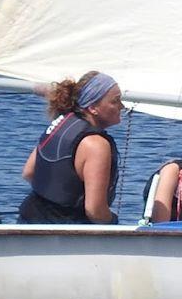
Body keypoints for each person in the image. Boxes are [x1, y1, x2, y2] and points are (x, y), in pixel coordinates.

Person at [18, 71, 124, 225]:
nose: (122, 106)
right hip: (64, 230)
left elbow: (28, 172)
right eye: (115, 101)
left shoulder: (61, 123)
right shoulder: (96, 145)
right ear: (93, 107)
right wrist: (113, 222)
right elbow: (95, 211)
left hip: (29, 217)